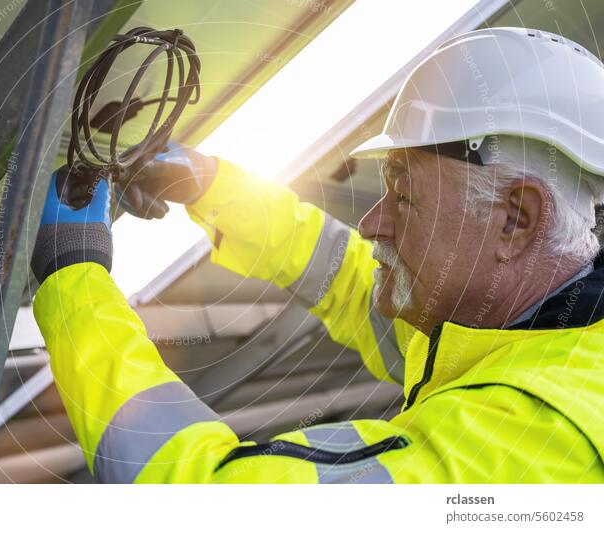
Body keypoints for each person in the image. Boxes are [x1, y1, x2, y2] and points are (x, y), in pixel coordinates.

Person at [30, 27, 604, 483]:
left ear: (514, 220)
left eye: (404, 194)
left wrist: (72, 280)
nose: (372, 221)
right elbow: (350, 281)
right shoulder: (517, 332)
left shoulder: (535, 442)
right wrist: (213, 187)